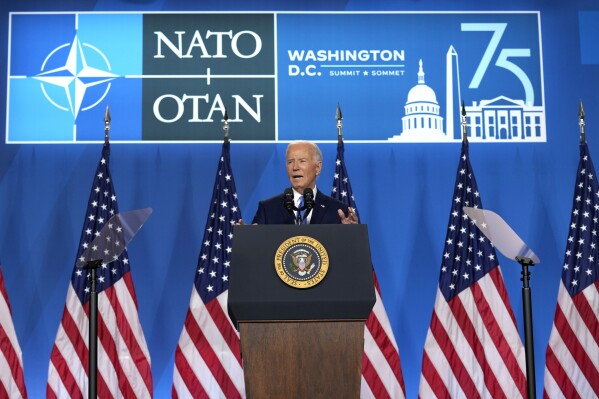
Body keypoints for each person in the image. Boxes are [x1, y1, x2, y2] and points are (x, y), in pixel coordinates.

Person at [241, 141, 358, 225]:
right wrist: (248, 239)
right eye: (290, 162)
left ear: (318, 167)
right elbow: (255, 251)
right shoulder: (268, 209)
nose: (295, 167)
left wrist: (351, 234)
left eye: (302, 161)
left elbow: (350, 254)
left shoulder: (337, 210)